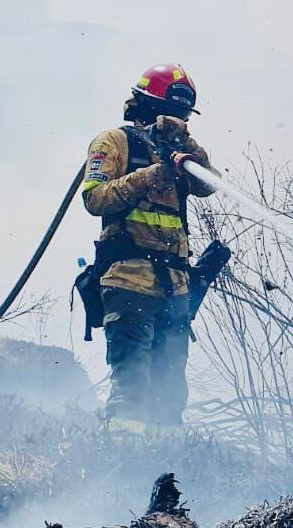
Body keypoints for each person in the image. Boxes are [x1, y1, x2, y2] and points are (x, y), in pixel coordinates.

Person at [80, 64, 215, 433]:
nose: (179, 119)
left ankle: (168, 463)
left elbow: (209, 185)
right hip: (128, 281)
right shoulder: (114, 142)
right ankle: (125, 460)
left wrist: (187, 144)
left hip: (176, 288)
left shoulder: (180, 152)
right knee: (132, 389)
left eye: (184, 115)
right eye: (172, 112)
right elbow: (94, 198)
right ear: (150, 105)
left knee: (171, 397)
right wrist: (151, 175)